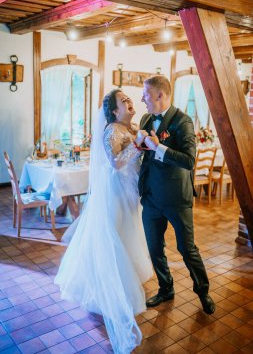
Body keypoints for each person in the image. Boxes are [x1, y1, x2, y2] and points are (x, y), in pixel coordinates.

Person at [55, 89, 153, 354]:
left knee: (128, 234)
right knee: (114, 237)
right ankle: (110, 286)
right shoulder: (112, 130)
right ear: (114, 110)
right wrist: (137, 145)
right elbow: (115, 163)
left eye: (130, 99)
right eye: (124, 101)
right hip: (115, 192)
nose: (130, 103)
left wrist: (141, 141)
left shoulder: (131, 126)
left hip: (131, 192)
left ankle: (124, 277)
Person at [138, 75, 215, 315]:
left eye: (147, 94)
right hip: (150, 196)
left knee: (187, 248)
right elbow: (145, 156)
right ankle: (165, 288)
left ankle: (203, 291)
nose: (143, 98)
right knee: (154, 247)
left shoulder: (183, 122)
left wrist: (157, 147)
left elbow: (189, 161)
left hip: (175, 198)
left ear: (161, 95)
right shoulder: (146, 118)